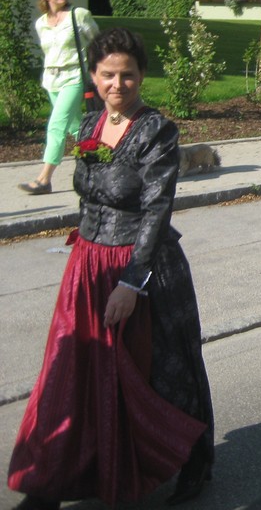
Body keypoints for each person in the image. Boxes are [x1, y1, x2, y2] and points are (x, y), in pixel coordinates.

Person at [8, 28, 215, 509]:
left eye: (128, 75)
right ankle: (52, 479)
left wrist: (130, 282)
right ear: (94, 77)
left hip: (142, 265)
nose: (117, 84)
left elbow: (155, 209)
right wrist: (83, 259)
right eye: (108, 75)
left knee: (164, 372)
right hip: (88, 262)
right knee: (73, 370)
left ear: (142, 76)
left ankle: (195, 462)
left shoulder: (157, 131)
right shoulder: (87, 128)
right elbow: (88, 195)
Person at [18, 0, 99, 195]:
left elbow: (97, 42)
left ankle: (44, 180)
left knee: (56, 126)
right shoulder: (41, 23)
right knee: (76, 127)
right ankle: (103, 160)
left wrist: (97, 71)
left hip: (74, 77)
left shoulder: (78, 15)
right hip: (51, 80)